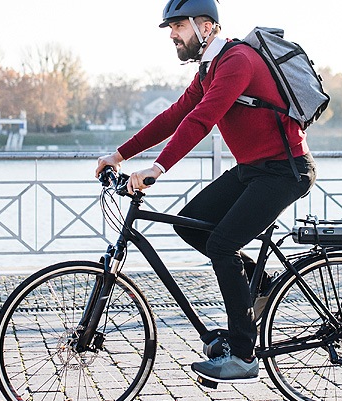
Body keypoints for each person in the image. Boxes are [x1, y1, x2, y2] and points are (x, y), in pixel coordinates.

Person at [95, 0, 316, 383]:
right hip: (252, 169)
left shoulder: (238, 60)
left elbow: (202, 119)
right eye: (169, 29)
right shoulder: (209, 69)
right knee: (190, 225)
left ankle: (244, 356)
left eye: (177, 26)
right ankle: (259, 285)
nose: (172, 35)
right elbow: (175, 115)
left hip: (285, 171)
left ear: (206, 26)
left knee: (221, 245)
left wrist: (157, 168)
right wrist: (119, 153)